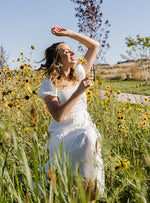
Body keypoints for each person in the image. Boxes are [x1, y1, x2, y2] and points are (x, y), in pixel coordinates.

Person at [38, 25, 105, 201]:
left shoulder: (80, 72)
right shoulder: (49, 83)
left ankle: (88, 198)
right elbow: (58, 116)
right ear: (57, 59)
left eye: (71, 50)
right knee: (63, 177)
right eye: (65, 52)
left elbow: (94, 46)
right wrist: (79, 91)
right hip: (64, 132)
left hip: (84, 126)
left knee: (89, 146)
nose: (72, 53)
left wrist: (69, 34)